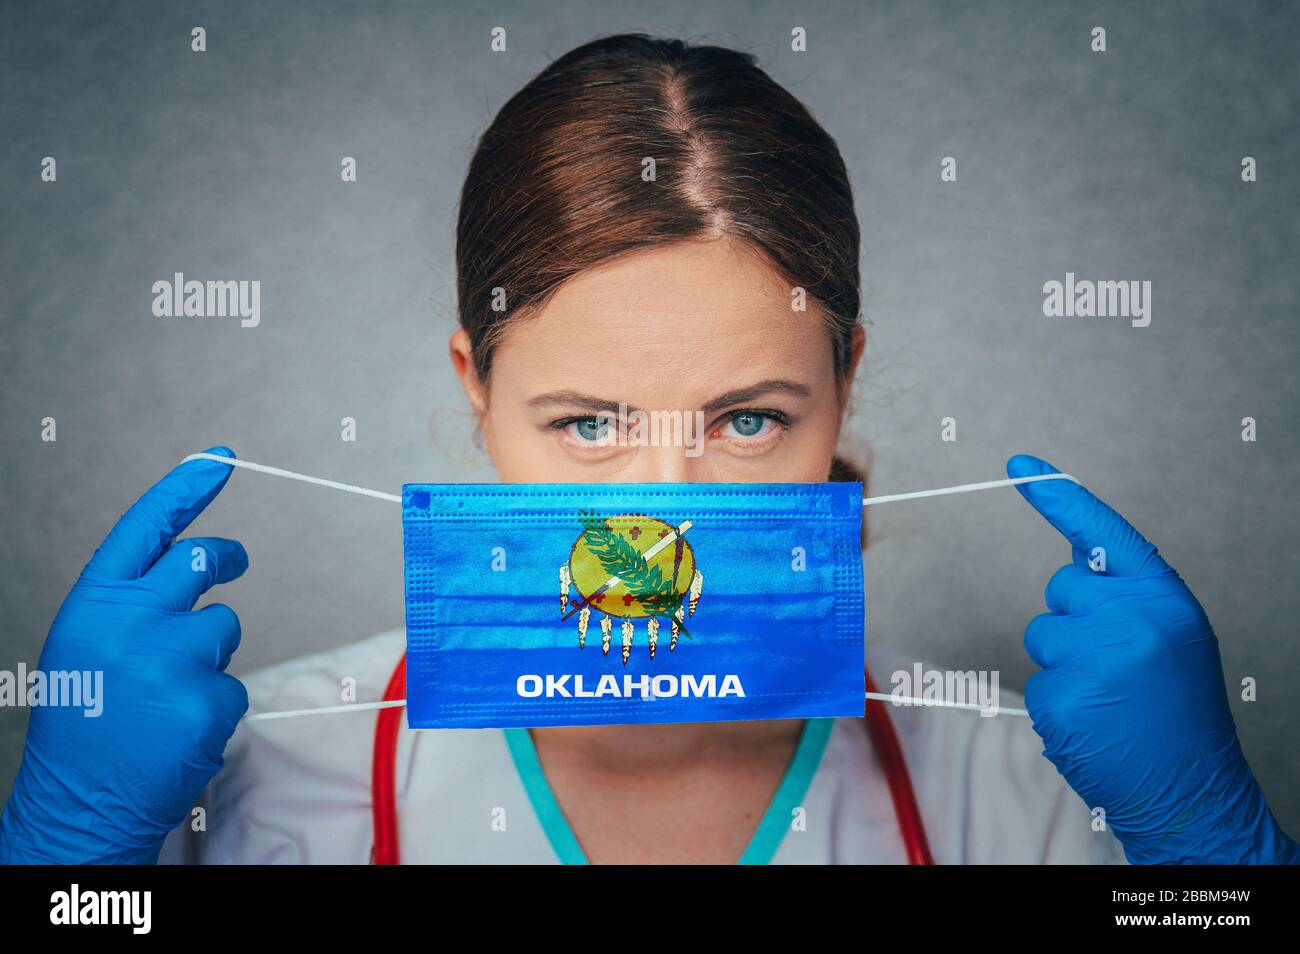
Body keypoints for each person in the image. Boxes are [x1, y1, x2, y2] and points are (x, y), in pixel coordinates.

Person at [1, 34, 1294, 866]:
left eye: (748, 420)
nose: (663, 520)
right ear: (477, 389)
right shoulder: (246, 779)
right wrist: (66, 869)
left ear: (842, 388)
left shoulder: (1028, 791)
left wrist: (1214, 858)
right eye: (587, 424)